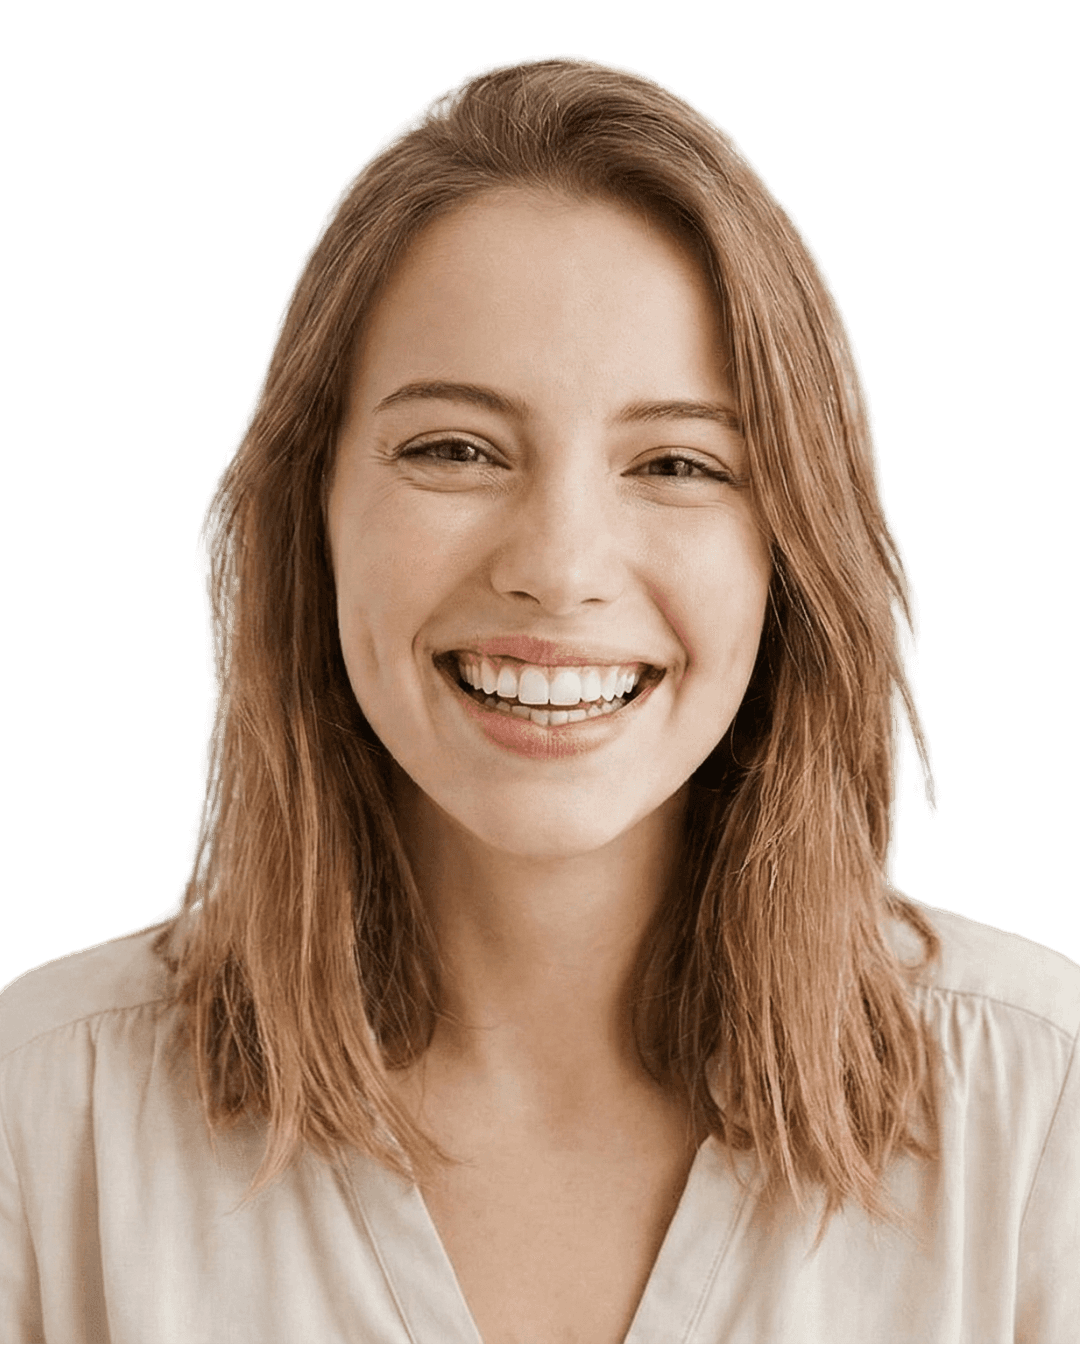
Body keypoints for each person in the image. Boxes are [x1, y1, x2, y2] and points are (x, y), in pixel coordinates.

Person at [1, 55, 1076, 1345]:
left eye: (678, 462)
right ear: (319, 511)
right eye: (454, 448)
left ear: (792, 549)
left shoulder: (1043, 1115)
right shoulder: (40, 1110)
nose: (558, 569)